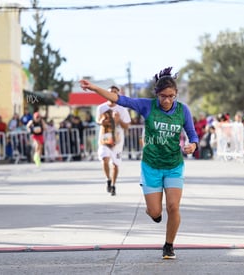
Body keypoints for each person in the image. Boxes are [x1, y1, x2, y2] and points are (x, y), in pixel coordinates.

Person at [80, 67, 199, 260]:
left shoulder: (183, 110)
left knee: (173, 207)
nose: (167, 100)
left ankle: (168, 246)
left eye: (171, 96)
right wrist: (94, 87)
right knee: (155, 212)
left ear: (176, 94)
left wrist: (193, 145)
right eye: (163, 96)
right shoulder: (147, 106)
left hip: (173, 165)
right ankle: (153, 211)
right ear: (156, 94)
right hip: (151, 165)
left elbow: (192, 134)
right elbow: (120, 99)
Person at [96, 86, 131, 196]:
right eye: (111, 92)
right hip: (105, 136)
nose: (112, 94)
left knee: (115, 164)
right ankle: (108, 179)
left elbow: (126, 126)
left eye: (115, 92)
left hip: (117, 140)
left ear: (118, 95)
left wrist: (119, 119)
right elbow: (98, 121)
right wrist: (101, 121)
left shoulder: (122, 109)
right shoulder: (101, 107)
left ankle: (114, 185)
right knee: (105, 159)